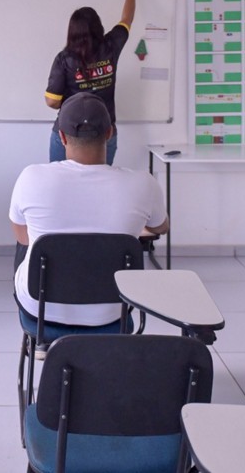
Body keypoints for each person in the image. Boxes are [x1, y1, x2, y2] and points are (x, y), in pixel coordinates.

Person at [10, 92, 168, 326]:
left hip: (42, 309)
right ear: (109, 133)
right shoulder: (143, 183)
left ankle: (41, 344)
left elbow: (23, 237)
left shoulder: (31, 177)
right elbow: (160, 227)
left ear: (62, 137)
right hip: (115, 310)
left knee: (29, 244)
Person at [44, 0, 142, 165]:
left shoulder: (64, 59)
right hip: (104, 133)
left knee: (62, 187)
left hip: (68, 134)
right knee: (100, 187)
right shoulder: (111, 46)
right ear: (99, 27)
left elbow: (52, 101)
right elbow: (127, 19)